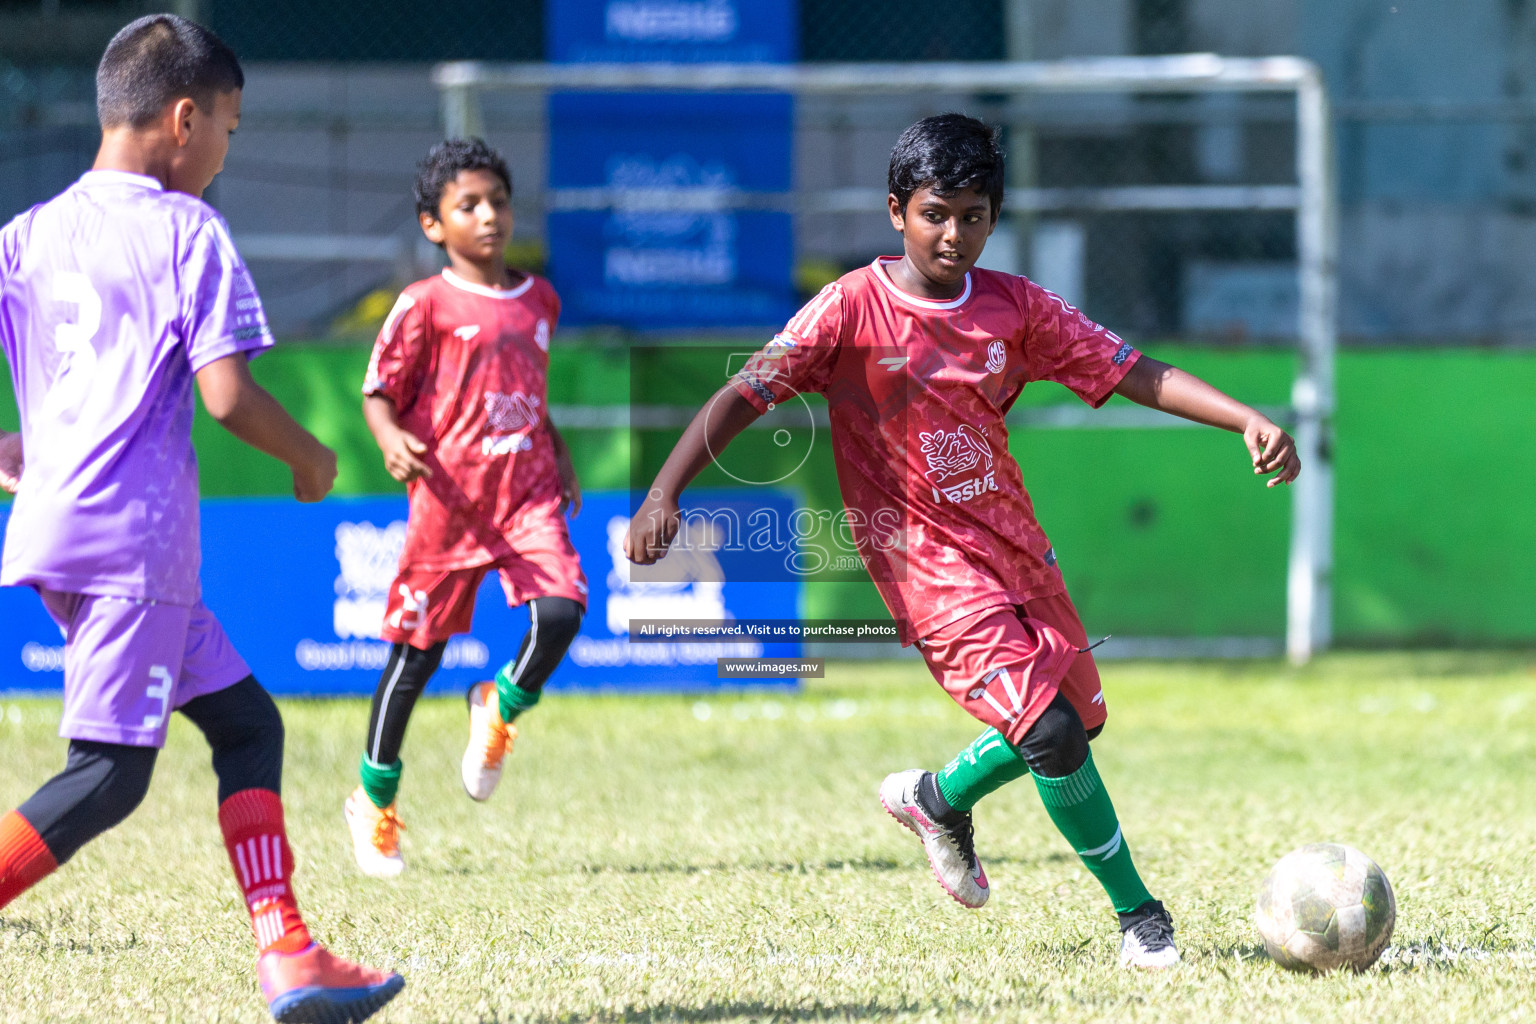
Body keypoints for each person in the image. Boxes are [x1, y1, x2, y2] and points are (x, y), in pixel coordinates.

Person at [626, 113, 1300, 969]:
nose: (954, 234)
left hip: (1013, 545)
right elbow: (745, 394)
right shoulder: (849, 308)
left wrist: (1245, 418)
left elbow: (1132, 371)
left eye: (973, 215)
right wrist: (664, 492)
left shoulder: (1014, 307)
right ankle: (1141, 917)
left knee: (1078, 725)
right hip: (920, 562)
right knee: (1050, 732)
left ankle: (938, 800)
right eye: (936, 213)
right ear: (897, 211)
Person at [0, 14, 404, 1022]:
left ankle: (291, 956)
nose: (224, 151)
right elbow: (227, 396)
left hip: (64, 530)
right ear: (185, 119)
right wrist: (314, 456)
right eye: (228, 124)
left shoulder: (28, 234)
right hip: (134, 543)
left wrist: (21, 455)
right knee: (111, 773)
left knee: (244, 724)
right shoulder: (187, 231)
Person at [344, 138, 586, 878]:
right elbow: (377, 390)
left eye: (498, 202)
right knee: (414, 660)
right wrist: (389, 438)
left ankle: (499, 705)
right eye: (468, 205)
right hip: (449, 504)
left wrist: (561, 451)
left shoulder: (540, 298)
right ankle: (374, 803)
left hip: (526, 494)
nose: (489, 216)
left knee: (562, 611)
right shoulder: (424, 306)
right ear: (433, 225)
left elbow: (529, 395)